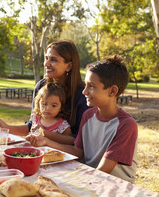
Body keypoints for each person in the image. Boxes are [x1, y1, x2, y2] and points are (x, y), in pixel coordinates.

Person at [27, 55, 138, 183]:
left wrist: (72, 180)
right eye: (85, 85)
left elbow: (104, 170)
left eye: (91, 86)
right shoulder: (88, 115)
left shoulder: (126, 125)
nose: (84, 92)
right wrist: (46, 141)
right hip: (91, 178)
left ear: (112, 91)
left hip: (115, 185)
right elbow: (78, 152)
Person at [0, 40, 89, 144]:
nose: (46, 64)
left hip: (67, 156)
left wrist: (43, 133)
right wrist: (6, 127)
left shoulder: (83, 94)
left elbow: (78, 140)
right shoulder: (41, 87)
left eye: (53, 60)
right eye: (46, 58)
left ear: (68, 66)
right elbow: (32, 126)